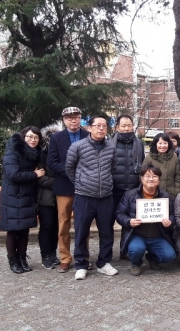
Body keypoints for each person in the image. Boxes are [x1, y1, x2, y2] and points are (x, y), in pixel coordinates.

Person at [65, 116, 118, 280]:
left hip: (106, 197)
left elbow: (113, 168)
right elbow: (69, 168)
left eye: (104, 126)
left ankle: (104, 263)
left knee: (107, 232)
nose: (101, 129)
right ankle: (81, 264)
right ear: (89, 128)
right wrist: (81, 183)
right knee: (81, 231)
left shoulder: (111, 148)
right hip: (84, 197)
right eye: (97, 125)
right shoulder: (77, 147)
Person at [47, 106, 89, 273]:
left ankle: (83, 257)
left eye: (76, 117)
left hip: (85, 186)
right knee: (63, 224)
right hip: (64, 186)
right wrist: (71, 170)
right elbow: (52, 162)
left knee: (83, 224)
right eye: (69, 117)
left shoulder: (88, 135)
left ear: (80, 118)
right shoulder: (56, 138)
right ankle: (65, 257)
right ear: (64, 120)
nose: (73, 120)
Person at [116, 166, 177, 276]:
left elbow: (172, 215)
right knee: (135, 250)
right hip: (137, 234)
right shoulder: (130, 195)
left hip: (158, 235)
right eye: (147, 176)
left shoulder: (165, 196)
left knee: (169, 256)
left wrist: (170, 222)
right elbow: (119, 214)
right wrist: (129, 221)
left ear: (159, 180)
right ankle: (136, 263)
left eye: (154, 176)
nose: (151, 179)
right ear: (141, 178)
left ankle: (152, 258)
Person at [0, 126, 44, 274]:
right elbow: (14, 175)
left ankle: (22, 258)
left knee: (24, 230)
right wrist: (34, 174)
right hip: (13, 197)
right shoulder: (13, 152)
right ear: (23, 138)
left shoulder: (34, 154)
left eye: (36, 137)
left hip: (27, 198)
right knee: (13, 231)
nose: (33, 140)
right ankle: (13, 260)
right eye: (30, 137)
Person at [110, 115, 145, 259]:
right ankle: (106, 253)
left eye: (129, 125)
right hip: (112, 189)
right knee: (108, 222)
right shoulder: (109, 143)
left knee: (129, 222)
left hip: (132, 188)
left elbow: (142, 164)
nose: (126, 128)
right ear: (117, 127)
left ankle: (125, 250)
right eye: (123, 126)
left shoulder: (139, 143)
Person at [36, 124, 59, 269]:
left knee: (56, 227)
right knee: (46, 226)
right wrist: (57, 183)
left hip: (59, 196)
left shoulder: (61, 155)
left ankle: (52, 253)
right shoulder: (41, 155)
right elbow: (40, 177)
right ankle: (45, 255)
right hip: (45, 197)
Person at [142, 133, 180, 199]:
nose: (162, 146)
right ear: (156, 144)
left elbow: (178, 177)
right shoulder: (149, 158)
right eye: (160, 143)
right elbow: (142, 176)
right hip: (153, 194)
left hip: (171, 194)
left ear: (168, 144)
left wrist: (177, 192)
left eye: (165, 143)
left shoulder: (174, 157)